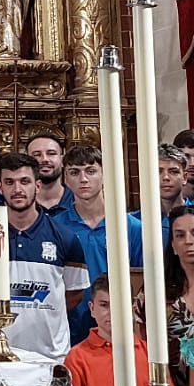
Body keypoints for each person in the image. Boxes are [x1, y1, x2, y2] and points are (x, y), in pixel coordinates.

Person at [0, 151, 87, 363]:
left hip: (49, 356)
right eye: (9, 182)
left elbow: (74, 293)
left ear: (37, 186)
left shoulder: (65, 237)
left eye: (24, 181)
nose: (17, 190)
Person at [59, 144, 142, 343]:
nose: (83, 179)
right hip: (70, 325)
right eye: (74, 172)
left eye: (91, 171)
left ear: (105, 174)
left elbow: (140, 282)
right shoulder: (57, 227)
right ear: (65, 179)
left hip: (117, 326)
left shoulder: (131, 227)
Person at [26, 132, 71, 215]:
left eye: (51, 153)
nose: (45, 159)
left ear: (62, 160)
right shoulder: (19, 203)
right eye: (37, 155)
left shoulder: (78, 201)